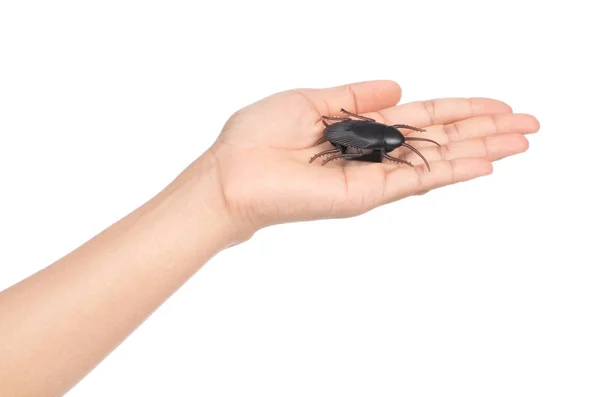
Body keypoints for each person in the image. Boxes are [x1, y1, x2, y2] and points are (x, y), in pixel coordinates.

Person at [0, 80, 540, 396]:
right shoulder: (354, 138)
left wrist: (218, 193)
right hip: (353, 138)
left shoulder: (373, 138)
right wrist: (219, 191)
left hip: (361, 138)